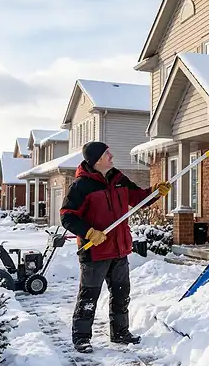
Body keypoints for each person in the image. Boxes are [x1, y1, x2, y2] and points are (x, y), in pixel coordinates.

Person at [60, 141, 171, 353]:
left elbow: (139, 198)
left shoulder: (118, 179)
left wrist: (155, 192)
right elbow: (67, 217)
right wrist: (89, 232)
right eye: (107, 153)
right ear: (97, 159)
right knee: (89, 296)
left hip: (119, 249)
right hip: (95, 251)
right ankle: (81, 337)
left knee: (121, 294)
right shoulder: (81, 186)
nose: (111, 156)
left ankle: (120, 332)